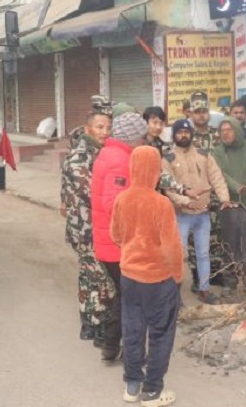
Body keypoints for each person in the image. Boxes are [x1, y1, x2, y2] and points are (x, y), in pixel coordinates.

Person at [111, 146, 183, 407]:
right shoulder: (161, 203)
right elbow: (172, 247)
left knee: (132, 329)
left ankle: (132, 386)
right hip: (158, 280)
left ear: (132, 169)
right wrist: (177, 275)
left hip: (129, 277)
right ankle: (152, 391)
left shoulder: (122, 199)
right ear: (156, 170)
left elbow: (116, 236)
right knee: (161, 333)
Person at [91, 112, 149, 362]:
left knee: (125, 295)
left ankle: (110, 345)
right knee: (133, 299)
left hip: (110, 241)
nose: (144, 140)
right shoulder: (121, 160)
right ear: (133, 137)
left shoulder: (110, 152)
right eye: (142, 136)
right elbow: (113, 203)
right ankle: (131, 352)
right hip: (119, 243)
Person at [162, 119, 232, 305]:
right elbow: (168, 190)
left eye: (186, 132)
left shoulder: (203, 155)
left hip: (202, 214)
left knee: (203, 254)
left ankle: (204, 289)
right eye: (180, 132)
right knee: (178, 255)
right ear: (174, 135)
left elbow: (217, 177)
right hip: (181, 216)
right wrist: (185, 202)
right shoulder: (168, 159)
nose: (183, 135)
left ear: (191, 134)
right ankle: (173, 295)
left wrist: (224, 199)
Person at [60, 111, 114, 346]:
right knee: (102, 278)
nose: (105, 132)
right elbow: (92, 193)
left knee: (88, 277)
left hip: (91, 227)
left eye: (107, 127)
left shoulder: (97, 152)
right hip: (86, 230)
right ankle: (100, 325)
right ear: (87, 128)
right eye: (100, 127)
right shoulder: (80, 156)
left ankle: (88, 324)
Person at [211, 118, 246, 299]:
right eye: (222, 130)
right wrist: (237, 187)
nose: (225, 133)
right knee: (230, 244)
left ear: (237, 130)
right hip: (230, 205)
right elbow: (221, 174)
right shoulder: (218, 151)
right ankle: (230, 282)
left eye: (229, 129)